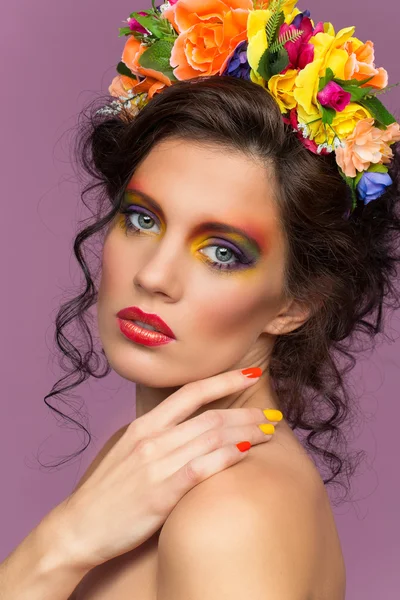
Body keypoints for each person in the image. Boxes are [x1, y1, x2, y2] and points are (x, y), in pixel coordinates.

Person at [2, 1, 400, 598]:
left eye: (221, 252)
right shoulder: (152, 459)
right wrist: (64, 540)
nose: (155, 276)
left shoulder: (230, 516)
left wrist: (58, 548)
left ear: (297, 303)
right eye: (142, 220)